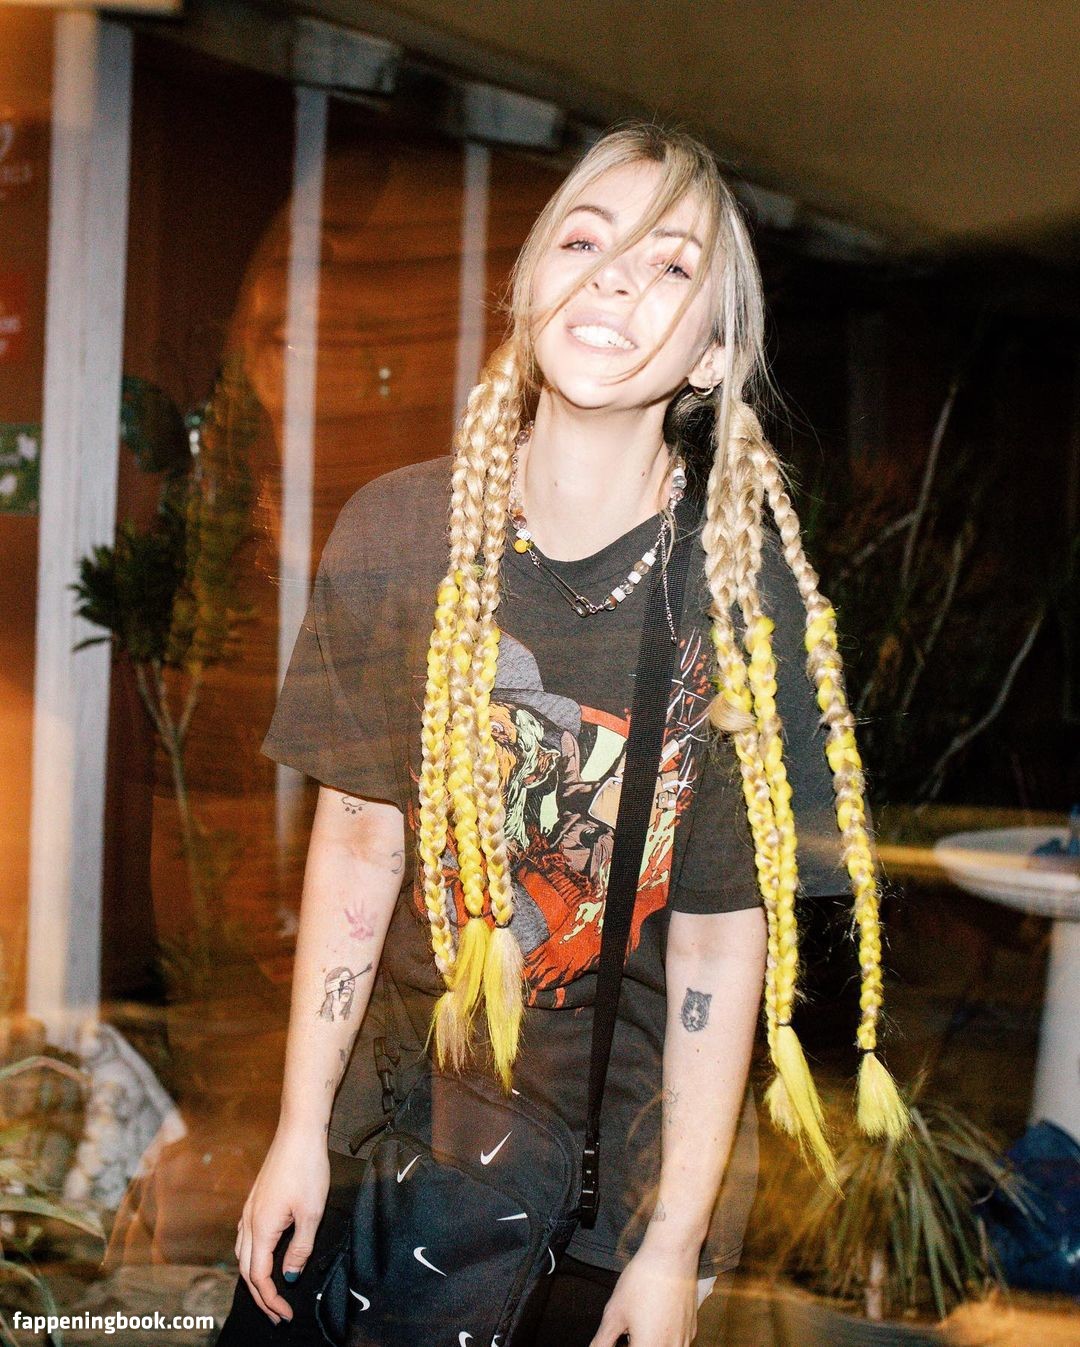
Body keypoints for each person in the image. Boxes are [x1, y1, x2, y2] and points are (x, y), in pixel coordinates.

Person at [216, 121, 907, 1347]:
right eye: (585, 242)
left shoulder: (739, 601)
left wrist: (672, 1243)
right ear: (530, 285)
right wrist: (296, 1132)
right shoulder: (399, 537)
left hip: (606, 1198)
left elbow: (718, 944)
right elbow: (360, 846)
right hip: (389, 1136)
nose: (616, 279)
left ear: (712, 355)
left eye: (670, 265)